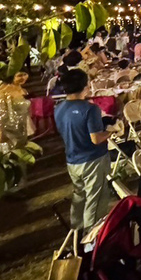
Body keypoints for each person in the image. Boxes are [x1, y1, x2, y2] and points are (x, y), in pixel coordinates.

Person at [53, 69, 111, 230]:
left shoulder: (59, 108)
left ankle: (76, 231)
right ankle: (91, 240)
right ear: (85, 86)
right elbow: (96, 139)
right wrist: (112, 131)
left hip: (72, 159)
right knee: (95, 200)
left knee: (79, 197)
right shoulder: (90, 109)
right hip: (92, 160)